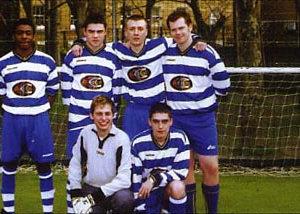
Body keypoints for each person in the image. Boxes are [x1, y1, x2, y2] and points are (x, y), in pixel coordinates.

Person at [72, 14, 207, 140]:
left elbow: (181, 36)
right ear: (126, 32)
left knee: (159, 148)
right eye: (132, 29)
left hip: (157, 107)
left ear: (146, 31)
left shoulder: (159, 45)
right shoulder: (117, 49)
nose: (136, 33)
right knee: (132, 149)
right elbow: (94, 42)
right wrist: (78, 42)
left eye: (140, 29)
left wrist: (198, 39)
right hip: (134, 109)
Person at [163, 10, 231, 214]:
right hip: (177, 120)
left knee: (210, 166)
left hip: (202, 119)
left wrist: (202, 99)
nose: (178, 33)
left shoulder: (206, 52)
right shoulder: (165, 52)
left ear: (190, 27)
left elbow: (224, 85)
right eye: (173, 30)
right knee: (185, 169)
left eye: (182, 28)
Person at [0, 18, 59, 214]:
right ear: (14, 35)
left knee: (44, 166)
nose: (24, 37)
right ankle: (8, 210)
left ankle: (48, 211)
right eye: (20, 33)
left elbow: (53, 91)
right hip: (12, 119)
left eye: (28, 33)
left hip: (39, 119)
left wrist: (40, 108)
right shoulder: (2, 63)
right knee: (9, 163)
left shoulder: (47, 61)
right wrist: (14, 108)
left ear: (33, 35)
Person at [60, 13, 122, 161]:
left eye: (99, 32)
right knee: (77, 162)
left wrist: (112, 112)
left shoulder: (113, 57)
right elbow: (66, 85)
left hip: (103, 118)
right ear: (84, 32)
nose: (95, 36)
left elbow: (117, 89)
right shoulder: (73, 55)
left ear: (106, 32)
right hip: (78, 116)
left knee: (104, 161)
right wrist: (72, 107)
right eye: (91, 31)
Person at [67, 95, 134, 213]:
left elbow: (125, 179)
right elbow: (75, 163)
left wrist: (94, 198)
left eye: (107, 114)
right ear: (91, 115)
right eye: (99, 113)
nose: (104, 118)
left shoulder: (122, 138)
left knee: (125, 199)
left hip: (115, 191)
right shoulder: (85, 133)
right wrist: (76, 193)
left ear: (113, 115)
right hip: (91, 188)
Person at [131, 102, 190, 213]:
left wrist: (154, 179)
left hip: (167, 191)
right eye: (156, 121)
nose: (160, 126)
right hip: (146, 192)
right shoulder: (138, 143)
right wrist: (140, 207)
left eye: (164, 121)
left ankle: (167, 209)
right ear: (149, 122)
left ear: (171, 122)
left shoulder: (180, 138)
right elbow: (136, 179)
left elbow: (180, 173)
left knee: (178, 186)